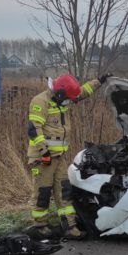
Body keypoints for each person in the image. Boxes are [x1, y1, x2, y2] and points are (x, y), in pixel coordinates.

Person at [26, 73, 110, 240]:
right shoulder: (40, 101)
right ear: (59, 93)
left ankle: (69, 227)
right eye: (67, 99)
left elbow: (81, 92)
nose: (69, 102)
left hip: (59, 157)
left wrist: (99, 81)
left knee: (65, 191)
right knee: (43, 192)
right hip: (43, 157)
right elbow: (34, 129)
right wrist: (44, 152)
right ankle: (39, 226)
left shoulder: (62, 97)